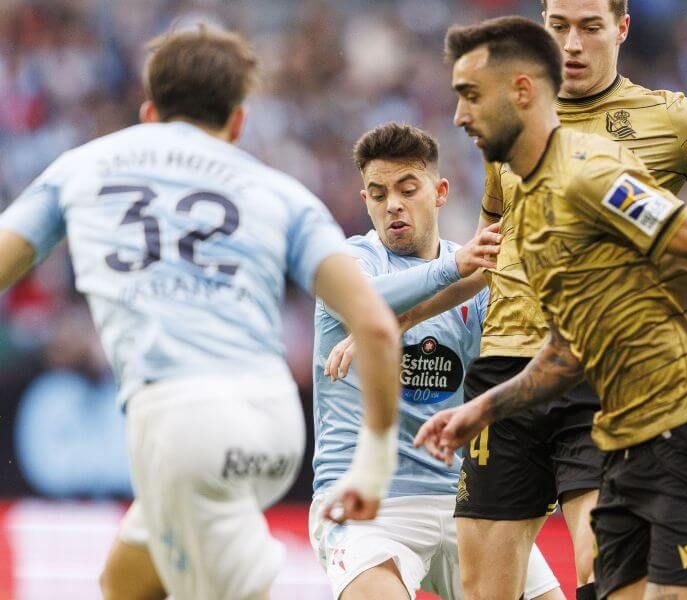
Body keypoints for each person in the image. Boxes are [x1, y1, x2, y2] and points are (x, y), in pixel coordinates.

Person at [326, 2, 687, 598]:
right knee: (484, 590)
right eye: (558, 27)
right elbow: (490, 256)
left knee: (602, 575)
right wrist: (399, 321)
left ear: (621, 29)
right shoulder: (507, 130)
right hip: (505, 376)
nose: (571, 44)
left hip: (599, 375)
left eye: (590, 28)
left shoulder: (666, 120)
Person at [0, 26, 403, 600]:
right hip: (274, 426)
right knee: (127, 581)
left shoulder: (80, 168)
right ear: (238, 122)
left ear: (147, 111)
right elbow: (376, 326)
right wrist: (375, 462)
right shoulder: (282, 193)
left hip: (181, 425)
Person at [309, 122, 563, 600]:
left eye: (408, 189)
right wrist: (457, 268)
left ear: (440, 191)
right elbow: (368, 300)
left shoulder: (477, 278)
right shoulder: (352, 262)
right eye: (378, 194)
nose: (393, 205)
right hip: (366, 503)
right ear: (365, 200)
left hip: (463, 498)